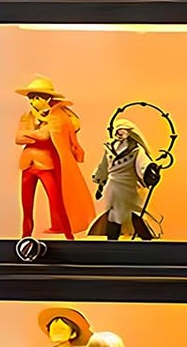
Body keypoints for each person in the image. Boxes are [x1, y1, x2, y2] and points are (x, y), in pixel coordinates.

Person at [13, 75, 92, 240]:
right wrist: (34, 134)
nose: (32, 102)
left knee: (58, 203)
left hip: (47, 165)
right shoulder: (27, 116)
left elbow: (45, 135)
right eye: (30, 98)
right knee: (26, 206)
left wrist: (30, 134)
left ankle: (69, 236)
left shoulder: (58, 116)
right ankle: (25, 237)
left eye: (36, 98)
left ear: (47, 98)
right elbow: (19, 138)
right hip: (28, 165)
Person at [88, 119, 161, 240]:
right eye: (118, 131)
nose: (120, 133)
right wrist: (100, 178)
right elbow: (104, 165)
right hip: (113, 186)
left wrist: (150, 170)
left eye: (123, 131)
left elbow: (143, 164)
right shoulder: (110, 148)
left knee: (134, 213)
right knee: (113, 214)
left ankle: (146, 239)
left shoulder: (136, 150)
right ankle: (112, 240)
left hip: (130, 187)